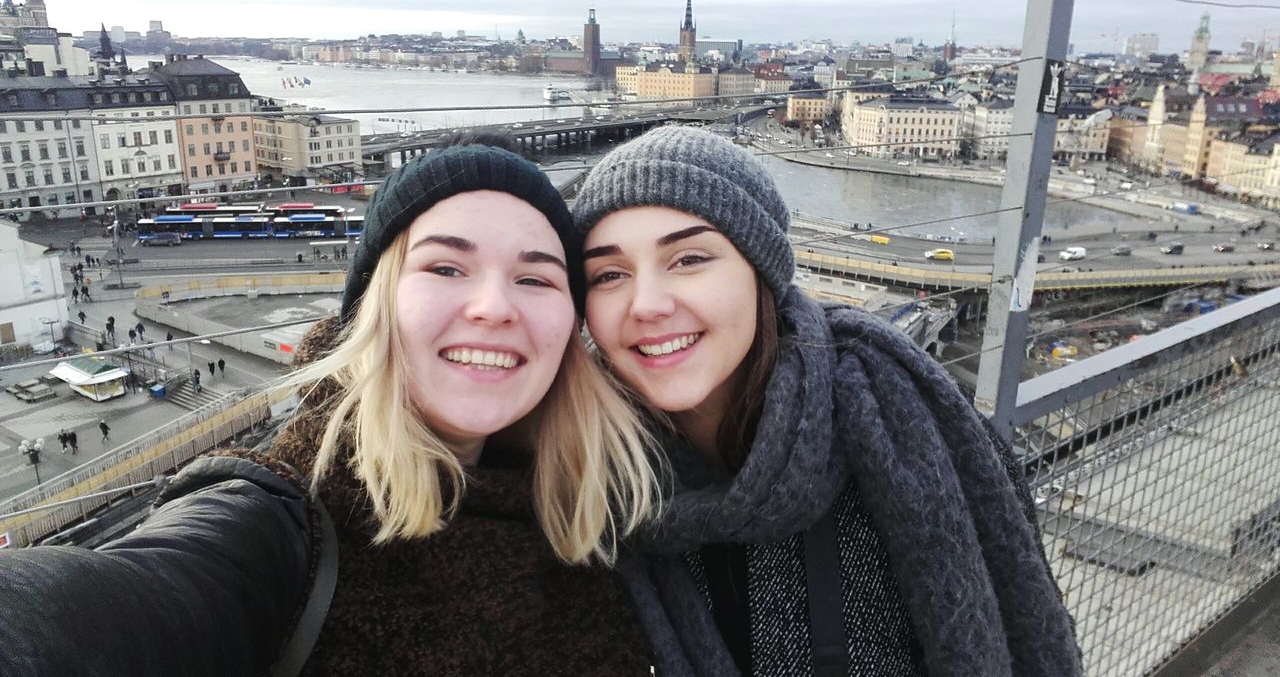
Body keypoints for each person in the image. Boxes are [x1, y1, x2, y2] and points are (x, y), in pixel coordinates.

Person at [0, 136, 661, 676]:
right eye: (444, 268)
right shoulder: (279, 527)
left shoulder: (603, 506)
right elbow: (112, 611)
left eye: (535, 278)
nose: (493, 306)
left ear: (570, 323)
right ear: (375, 306)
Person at [573, 127, 1081, 677]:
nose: (646, 305)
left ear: (761, 275)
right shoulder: (576, 475)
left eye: (689, 259)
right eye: (610, 274)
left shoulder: (906, 422)